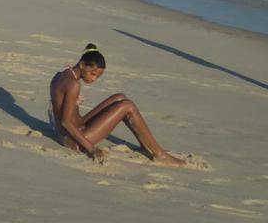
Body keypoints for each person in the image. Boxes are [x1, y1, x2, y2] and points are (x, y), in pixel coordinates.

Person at [49, 44, 185, 166]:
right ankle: (159, 155)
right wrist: (92, 149)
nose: (93, 79)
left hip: (75, 129)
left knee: (119, 97)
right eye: (93, 74)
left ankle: (146, 146)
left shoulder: (61, 74)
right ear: (82, 64)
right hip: (74, 140)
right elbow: (66, 122)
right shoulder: (73, 85)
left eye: (98, 77)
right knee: (128, 106)